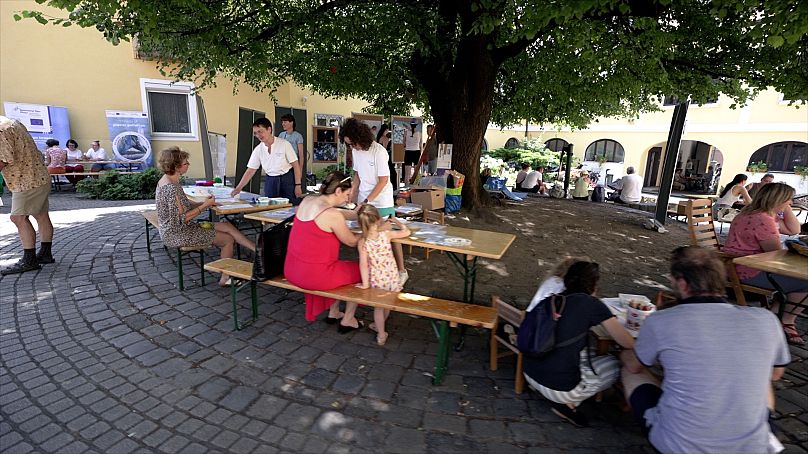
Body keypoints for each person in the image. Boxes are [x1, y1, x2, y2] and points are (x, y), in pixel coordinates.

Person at [621, 246, 790, 453]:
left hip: (679, 445)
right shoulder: (766, 319)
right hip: (754, 446)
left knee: (630, 370)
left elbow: (635, 366)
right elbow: (776, 373)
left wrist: (625, 352)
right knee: (762, 374)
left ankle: (668, 416)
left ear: (682, 284)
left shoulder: (661, 321)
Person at [523, 261, 635, 427]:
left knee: (585, 350)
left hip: (530, 373)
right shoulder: (592, 304)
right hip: (559, 389)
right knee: (616, 363)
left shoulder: (554, 299)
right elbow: (626, 341)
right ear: (594, 284)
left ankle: (561, 395)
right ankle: (569, 404)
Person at [155, 147, 255, 286]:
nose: (188, 165)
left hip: (180, 228)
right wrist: (204, 206)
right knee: (227, 239)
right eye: (186, 163)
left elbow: (183, 204)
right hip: (177, 233)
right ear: (177, 167)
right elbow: (181, 218)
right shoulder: (170, 187)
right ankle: (225, 278)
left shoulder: (169, 181)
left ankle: (257, 251)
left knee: (227, 226)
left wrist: (204, 203)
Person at [723, 182, 805, 344]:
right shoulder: (763, 219)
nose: (791, 203)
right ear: (777, 199)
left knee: (800, 281)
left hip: (737, 268)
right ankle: (784, 319)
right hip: (747, 272)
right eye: (788, 200)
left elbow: (794, 230)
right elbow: (775, 254)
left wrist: (784, 207)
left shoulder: (753, 214)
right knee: (805, 282)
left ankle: (775, 314)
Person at [284, 171, 364, 331]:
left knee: (338, 265)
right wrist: (371, 231)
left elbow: (330, 213)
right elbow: (351, 241)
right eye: (347, 194)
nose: (348, 199)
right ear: (338, 191)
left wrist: (353, 214)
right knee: (362, 270)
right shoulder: (332, 215)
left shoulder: (307, 200)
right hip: (313, 275)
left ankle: (334, 312)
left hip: (292, 269)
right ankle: (348, 319)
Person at [341, 118, 408, 285]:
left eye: (352, 143)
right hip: (365, 199)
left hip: (382, 200)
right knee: (368, 235)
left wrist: (366, 200)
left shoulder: (379, 151)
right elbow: (357, 174)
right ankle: (373, 269)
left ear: (359, 137)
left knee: (389, 236)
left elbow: (383, 180)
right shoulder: (356, 151)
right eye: (348, 144)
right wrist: (353, 192)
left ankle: (401, 270)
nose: (351, 147)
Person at [0, 116, 55, 275]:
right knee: (41, 214)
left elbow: (3, 160)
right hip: (38, 175)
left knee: (18, 218)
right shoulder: (9, 122)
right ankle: (45, 254)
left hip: (26, 180)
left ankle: (29, 260)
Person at [355, 204, 412, 345]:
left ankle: (381, 333)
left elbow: (363, 264)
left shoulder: (362, 242)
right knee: (387, 304)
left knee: (379, 307)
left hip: (376, 279)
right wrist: (398, 222)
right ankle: (379, 328)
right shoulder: (386, 234)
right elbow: (407, 232)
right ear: (378, 219)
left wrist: (365, 284)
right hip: (391, 276)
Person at [231, 118, 302, 203]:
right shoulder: (258, 149)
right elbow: (250, 170)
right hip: (270, 180)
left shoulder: (284, 144)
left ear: (269, 129)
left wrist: (298, 185)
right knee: (271, 208)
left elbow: (296, 165)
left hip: (287, 179)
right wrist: (238, 188)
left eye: (260, 131)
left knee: (289, 207)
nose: (258, 135)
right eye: (255, 133)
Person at [278, 114, 307, 184]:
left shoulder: (298, 136)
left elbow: (301, 155)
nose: (283, 124)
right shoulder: (281, 135)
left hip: (292, 165)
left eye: (285, 122)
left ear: (291, 122)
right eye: (282, 122)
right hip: (281, 165)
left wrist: (300, 170)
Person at [376, 124, 396, 193]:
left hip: (379, 157)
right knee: (393, 173)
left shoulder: (379, 137)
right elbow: (384, 148)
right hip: (385, 156)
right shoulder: (385, 138)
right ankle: (394, 188)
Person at [403, 119, 421, 183]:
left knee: (407, 173)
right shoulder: (419, 133)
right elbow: (420, 145)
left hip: (408, 152)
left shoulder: (406, 132)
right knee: (417, 172)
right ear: (416, 125)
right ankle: (417, 186)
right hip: (417, 152)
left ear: (410, 125)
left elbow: (404, 144)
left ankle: (406, 187)